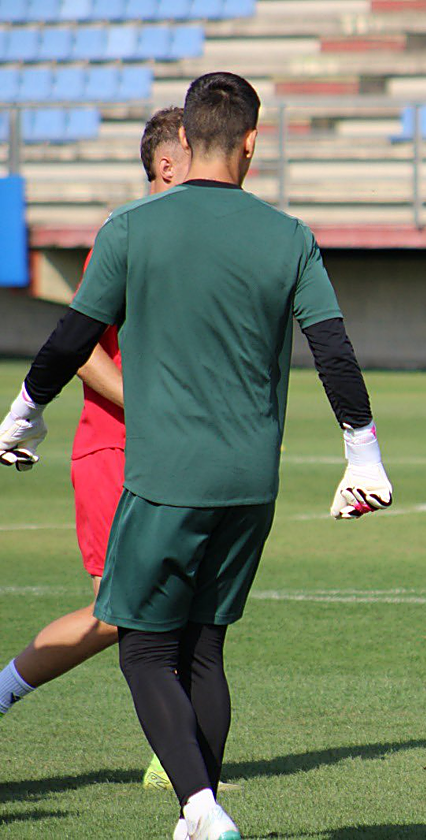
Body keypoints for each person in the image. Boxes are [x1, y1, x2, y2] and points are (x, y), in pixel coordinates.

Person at [0, 72, 393, 840]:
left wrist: (23, 415)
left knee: (145, 650)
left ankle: (201, 806)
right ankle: (197, 816)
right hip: (252, 483)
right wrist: (364, 454)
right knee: (205, 649)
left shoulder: (131, 229)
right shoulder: (290, 236)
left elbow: (72, 339)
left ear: (185, 142)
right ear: (252, 142)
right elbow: (334, 351)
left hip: (165, 479)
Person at [0, 106, 189, 791]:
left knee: (185, 610)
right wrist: (154, 412)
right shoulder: (126, 235)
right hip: (114, 452)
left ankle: (180, 760)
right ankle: (3, 690)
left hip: (173, 458)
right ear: (167, 164)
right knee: (118, 615)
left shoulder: (196, 244)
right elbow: (78, 351)